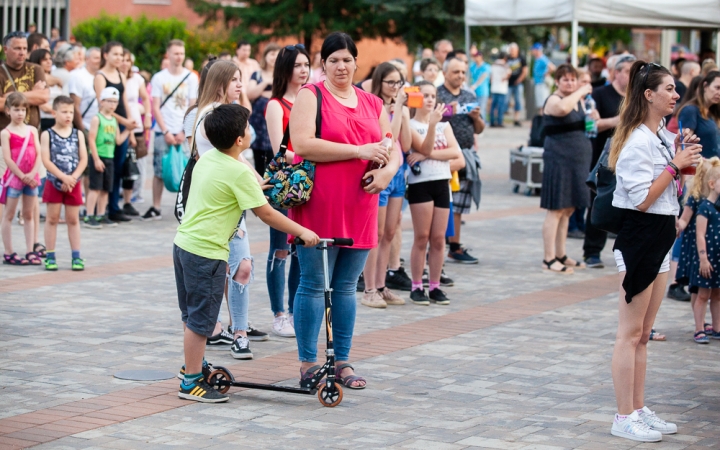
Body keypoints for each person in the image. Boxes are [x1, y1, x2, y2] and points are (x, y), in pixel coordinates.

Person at [174, 103, 318, 403]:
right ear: (239, 139)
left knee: (192, 315)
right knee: (202, 320)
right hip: (207, 253)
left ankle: (193, 366)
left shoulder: (208, 158)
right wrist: (302, 231)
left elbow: (228, 190)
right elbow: (265, 214)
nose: (251, 131)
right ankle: (190, 382)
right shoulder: (238, 171)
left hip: (184, 246)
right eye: (248, 128)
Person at [289, 32, 400, 390]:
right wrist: (358, 151)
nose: (341, 66)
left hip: (361, 203)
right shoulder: (312, 95)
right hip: (319, 203)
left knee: (346, 287)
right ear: (323, 64)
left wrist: (385, 173)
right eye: (334, 59)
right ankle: (308, 362)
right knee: (313, 283)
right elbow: (304, 144)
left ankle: (342, 361)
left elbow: (390, 147)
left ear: (356, 62)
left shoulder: (371, 102)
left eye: (347, 59)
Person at [608, 60, 700, 442]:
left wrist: (680, 154)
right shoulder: (636, 141)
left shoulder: (659, 133)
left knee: (644, 333)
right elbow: (642, 199)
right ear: (648, 95)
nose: (676, 95)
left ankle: (639, 407)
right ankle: (623, 415)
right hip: (640, 238)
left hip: (660, 237)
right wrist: (675, 168)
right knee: (629, 333)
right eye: (669, 89)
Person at [185, 60, 270, 358]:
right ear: (220, 82)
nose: (239, 85)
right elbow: (235, 153)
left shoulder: (222, 113)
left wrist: (257, 179)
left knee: (240, 267)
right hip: (218, 205)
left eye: (241, 79)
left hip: (232, 200)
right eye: (234, 80)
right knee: (233, 269)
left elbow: (241, 151)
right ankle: (228, 331)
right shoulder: (209, 116)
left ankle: (240, 330)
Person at [264, 43, 310, 333]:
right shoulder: (275, 105)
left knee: (299, 250)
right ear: (285, 69)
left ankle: (294, 310)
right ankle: (278, 313)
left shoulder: (311, 101)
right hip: (284, 185)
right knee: (280, 249)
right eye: (298, 65)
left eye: (307, 65)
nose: (304, 71)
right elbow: (278, 151)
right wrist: (310, 155)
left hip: (306, 183)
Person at [360, 62, 412, 309]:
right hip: (381, 169)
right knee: (376, 233)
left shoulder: (398, 106)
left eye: (399, 82)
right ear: (379, 82)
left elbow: (406, 141)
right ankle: (369, 288)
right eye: (390, 82)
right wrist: (398, 108)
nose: (395, 87)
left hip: (399, 171)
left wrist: (404, 112)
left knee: (390, 231)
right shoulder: (373, 106)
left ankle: (381, 285)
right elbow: (388, 138)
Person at [407, 81, 463, 305]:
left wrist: (426, 155)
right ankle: (416, 285)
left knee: (439, 238)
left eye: (433, 96)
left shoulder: (445, 125)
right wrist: (431, 129)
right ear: (416, 99)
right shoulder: (410, 125)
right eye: (425, 95)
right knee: (422, 237)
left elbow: (455, 153)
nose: (430, 100)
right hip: (421, 183)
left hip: (442, 182)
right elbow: (425, 147)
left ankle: (435, 285)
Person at [583, 54, 637, 268]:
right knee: (598, 204)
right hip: (602, 159)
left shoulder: (636, 97)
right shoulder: (600, 94)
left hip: (629, 159)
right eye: (630, 72)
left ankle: (623, 251)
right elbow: (590, 126)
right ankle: (592, 252)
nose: (634, 77)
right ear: (617, 73)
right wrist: (618, 121)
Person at [540, 64, 593, 274]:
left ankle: (561, 254)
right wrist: (581, 89)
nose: (570, 83)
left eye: (573, 79)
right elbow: (562, 109)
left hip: (577, 160)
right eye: (566, 80)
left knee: (568, 209)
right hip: (559, 160)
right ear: (557, 82)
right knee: (555, 208)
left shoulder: (579, 101)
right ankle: (548, 258)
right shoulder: (553, 100)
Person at [143, 39, 199, 221]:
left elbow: (192, 106)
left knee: (186, 169)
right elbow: (155, 107)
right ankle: (156, 206)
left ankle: (186, 205)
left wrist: (185, 131)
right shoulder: (159, 77)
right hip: (163, 130)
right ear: (168, 54)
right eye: (176, 53)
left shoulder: (191, 77)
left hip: (184, 131)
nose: (179, 57)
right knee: (160, 170)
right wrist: (166, 131)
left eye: (182, 53)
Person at [438, 57, 485, 264]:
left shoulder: (469, 95)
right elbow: (424, 118)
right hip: (441, 154)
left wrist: (476, 117)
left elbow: (479, 129)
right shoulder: (438, 93)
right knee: (440, 201)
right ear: (445, 72)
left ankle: (455, 246)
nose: (460, 76)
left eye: (463, 72)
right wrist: (448, 110)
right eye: (456, 72)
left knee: (459, 203)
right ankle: (437, 243)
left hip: (465, 154)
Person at [40, 96, 87, 271]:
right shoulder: (47, 134)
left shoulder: (78, 134)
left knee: (73, 219)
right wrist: (62, 177)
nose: (68, 115)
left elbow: (83, 159)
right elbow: (46, 160)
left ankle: (76, 255)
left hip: (74, 183)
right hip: (54, 182)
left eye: (71, 112)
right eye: (64, 112)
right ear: (54, 113)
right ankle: (50, 255)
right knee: (52, 219)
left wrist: (72, 178)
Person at [94, 42, 137, 223]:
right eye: (116, 54)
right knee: (108, 165)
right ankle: (100, 209)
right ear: (106, 55)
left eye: (121, 55)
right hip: (108, 124)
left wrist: (130, 128)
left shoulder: (121, 74)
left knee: (119, 168)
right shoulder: (100, 76)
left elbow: (124, 103)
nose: (119, 58)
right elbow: (103, 106)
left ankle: (114, 207)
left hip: (122, 125)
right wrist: (124, 122)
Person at [1, 92, 42, 266]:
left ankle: (30, 250)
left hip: (32, 178)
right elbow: (8, 158)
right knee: (8, 214)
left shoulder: (32, 130)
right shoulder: (6, 133)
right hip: (15, 179)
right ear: (8, 111)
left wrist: (32, 173)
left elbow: (39, 153)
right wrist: (21, 175)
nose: (20, 113)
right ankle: (9, 251)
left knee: (29, 214)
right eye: (16, 109)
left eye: (23, 110)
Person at [85, 87, 131, 229]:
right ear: (102, 102)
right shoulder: (97, 118)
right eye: (109, 101)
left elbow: (118, 140)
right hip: (99, 156)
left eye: (115, 102)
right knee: (95, 188)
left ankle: (101, 214)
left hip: (110, 157)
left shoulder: (114, 121)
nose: (112, 105)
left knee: (106, 188)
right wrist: (96, 158)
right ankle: (89, 214)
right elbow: (91, 139)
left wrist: (129, 129)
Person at [687, 157, 720, 343]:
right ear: (712, 183)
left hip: (718, 259)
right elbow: (700, 235)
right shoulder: (704, 208)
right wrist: (703, 259)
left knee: (717, 294)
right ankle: (699, 328)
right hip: (707, 260)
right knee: (703, 295)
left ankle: (717, 327)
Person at [119, 49, 151, 217]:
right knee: (120, 163)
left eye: (127, 60)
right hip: (120, 123)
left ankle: (128, 200)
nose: (125, 63)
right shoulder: (115, 78)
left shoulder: (136, 78)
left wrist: (148, 115)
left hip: (136, 124)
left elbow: (145, 98)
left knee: (133, 163)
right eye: (122, 59)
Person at [0, 32, 49, 132]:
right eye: (17, 48)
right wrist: (33, 94)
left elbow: (44, 97)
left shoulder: (36, 69)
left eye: (25, 48)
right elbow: (0, 104)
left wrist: (12, 96)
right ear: (6, 49)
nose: (22, 52)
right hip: (6, 138)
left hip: (32, 137)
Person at [248, 43, 280, 174]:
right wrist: (266, 83)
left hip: (276, 120)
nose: (274, 57)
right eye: (272, 54)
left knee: (276, 157)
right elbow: (250, 93)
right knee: (259, 161)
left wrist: (263, 94)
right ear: (265, 55)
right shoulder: (257, 74)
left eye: (277, 55)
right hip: (259, 122)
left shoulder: (282, 75)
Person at [677, 70, 720, 159]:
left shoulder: (712, 111)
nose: (719, 93)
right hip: (699, 168)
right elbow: (684, 146)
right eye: (717, 88)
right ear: (705, 86)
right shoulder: (690, 110)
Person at [28, 49, 63, 132]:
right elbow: (41, 104)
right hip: (44, 120)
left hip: (58, 119)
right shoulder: (34, 80)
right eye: (44, 60)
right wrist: (60, 110)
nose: (49, 62)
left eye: (50, 59)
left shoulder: (55, 78)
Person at [68, 47, 101, 133]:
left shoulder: (102, 77)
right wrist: (82, 129)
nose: (99, 61)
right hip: (85, 127)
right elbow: (75, 106)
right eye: (96, 58)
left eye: (101, 58)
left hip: (100, 130)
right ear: (87, 59)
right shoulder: (78, 77)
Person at [506, 43, 528, 127]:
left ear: (517, 50)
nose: (512, 51)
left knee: (518, 101)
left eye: (513, 50)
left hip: (518, 83)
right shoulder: (507, 58)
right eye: (511, 50)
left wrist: (520, 79)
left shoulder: (521, 58)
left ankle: (516, 119)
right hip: (508, 83)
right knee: (506, 100)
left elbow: (525, 70)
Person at [531, 43, 555, 114]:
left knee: (543, 104)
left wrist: (546, 74)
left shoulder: (542, 58)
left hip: (542, 84)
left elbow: (552, 67)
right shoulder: (537, 59)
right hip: (538, 83)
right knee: (540, 104)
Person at [469, 51, 491, 120]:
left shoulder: (486, 66)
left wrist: (475, 85)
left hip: (482, 90)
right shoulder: (472, 66)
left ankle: (482, 122)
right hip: (473, 91)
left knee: (481, 108)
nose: (475, 58)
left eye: (477, 56)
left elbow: (483, 76)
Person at [489, 53, 510, 127]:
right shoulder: (505, 65)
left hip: (494, 88)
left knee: (493, 106)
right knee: (500, 106)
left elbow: (490, 76)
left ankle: (492, 122)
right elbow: (508, 74)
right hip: (502, 88)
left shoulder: (493, 64)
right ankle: (499, 122)